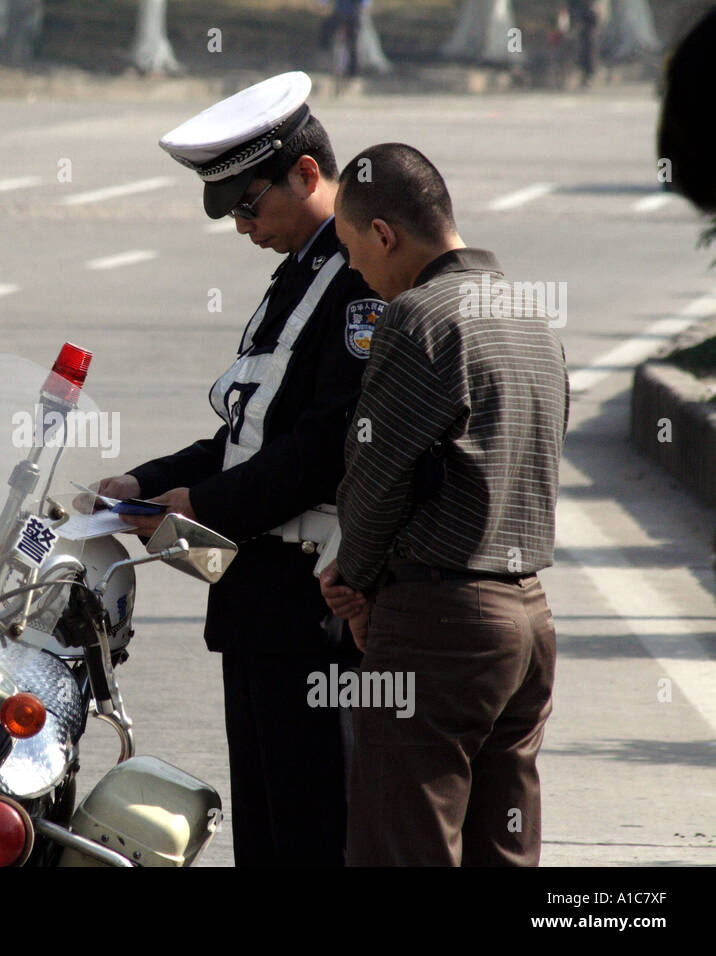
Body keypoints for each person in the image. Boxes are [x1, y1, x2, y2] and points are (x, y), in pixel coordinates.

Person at [85, 71, 386, 866]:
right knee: (266, 833)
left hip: (313, 603)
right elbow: (250, 432)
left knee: (315, 834)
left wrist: (204, 504)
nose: (244, 228)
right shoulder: (301, 276)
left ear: (307, 174)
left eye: (249, 206)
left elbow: (328, 445)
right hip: (261, 599)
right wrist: (144, 483)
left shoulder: (358, 282)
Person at [320, 143, 570, 865]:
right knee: (504, 850)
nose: (357, 273)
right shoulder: (528, 314)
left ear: (384, 234)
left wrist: (352, 580)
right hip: (527, 622)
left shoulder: (418, 318)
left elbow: (376, 477)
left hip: (439, 626)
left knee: (405, 847)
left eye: (352, 252)